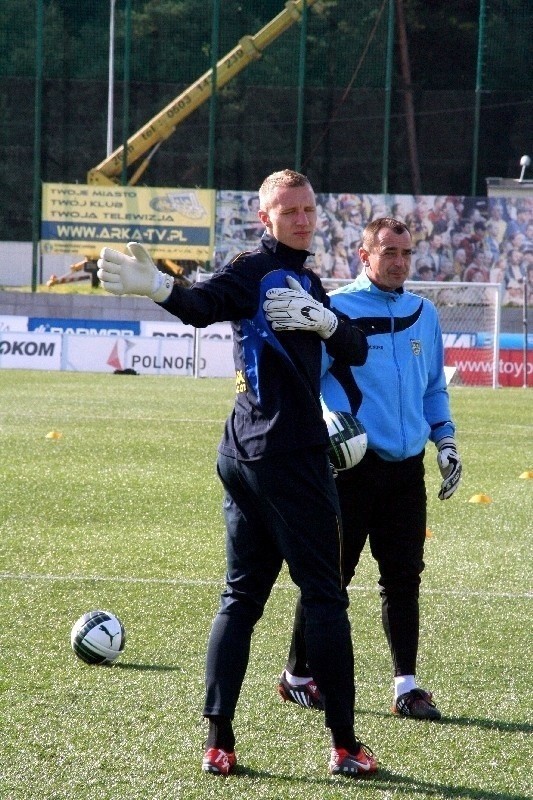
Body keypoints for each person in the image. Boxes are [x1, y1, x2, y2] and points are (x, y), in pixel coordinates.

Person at [97, 169, 377, 779]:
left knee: (242, 596)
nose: (302, 219)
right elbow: (202, 306)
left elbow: (353, 347)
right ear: (265, 217)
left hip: (242, 454)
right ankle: (345, 746)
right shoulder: (254, 269)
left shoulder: (306, 278)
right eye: (289, 210)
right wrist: (160, 287)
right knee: (325, 597)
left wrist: (325, 322)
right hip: (288, 459)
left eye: (308, 208)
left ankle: (219, 740)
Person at [277, 217, 462, 722]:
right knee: (331, 577)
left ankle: (407, 686)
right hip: (349, 469)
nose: (399, 261)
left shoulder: (422, 312)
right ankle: (296, 675)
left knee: (404, 578)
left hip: (406, 471)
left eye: (405, 252)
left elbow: (432, 388)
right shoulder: (334, 309)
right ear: (364, 255)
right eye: (388, 252)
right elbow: (304, 381)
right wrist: (324, 415)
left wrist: (444, 440)